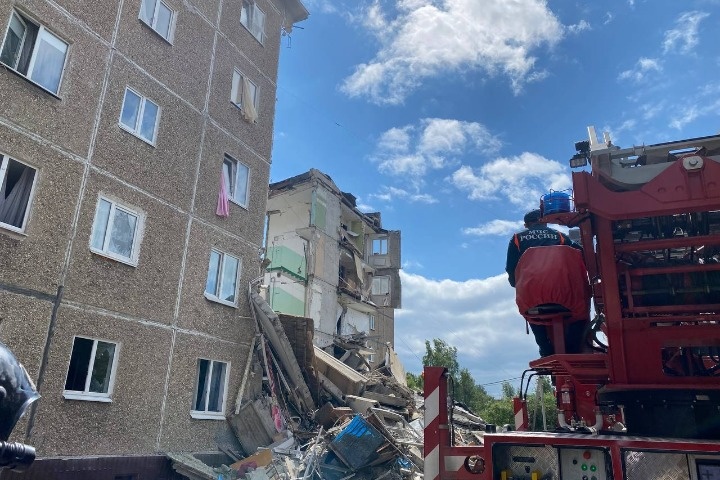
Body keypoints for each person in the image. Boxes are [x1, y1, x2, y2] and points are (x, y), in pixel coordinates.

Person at [506, 209, 589, 356]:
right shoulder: (560, 236)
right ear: (544, 221)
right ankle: (573, 348)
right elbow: (581, 255)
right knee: (581, 313)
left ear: (526, 225)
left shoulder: (517, 239)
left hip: (532, 295)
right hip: (565, 294)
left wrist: (516, 284)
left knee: (530, 311)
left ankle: (545, 348)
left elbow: (511, 268)